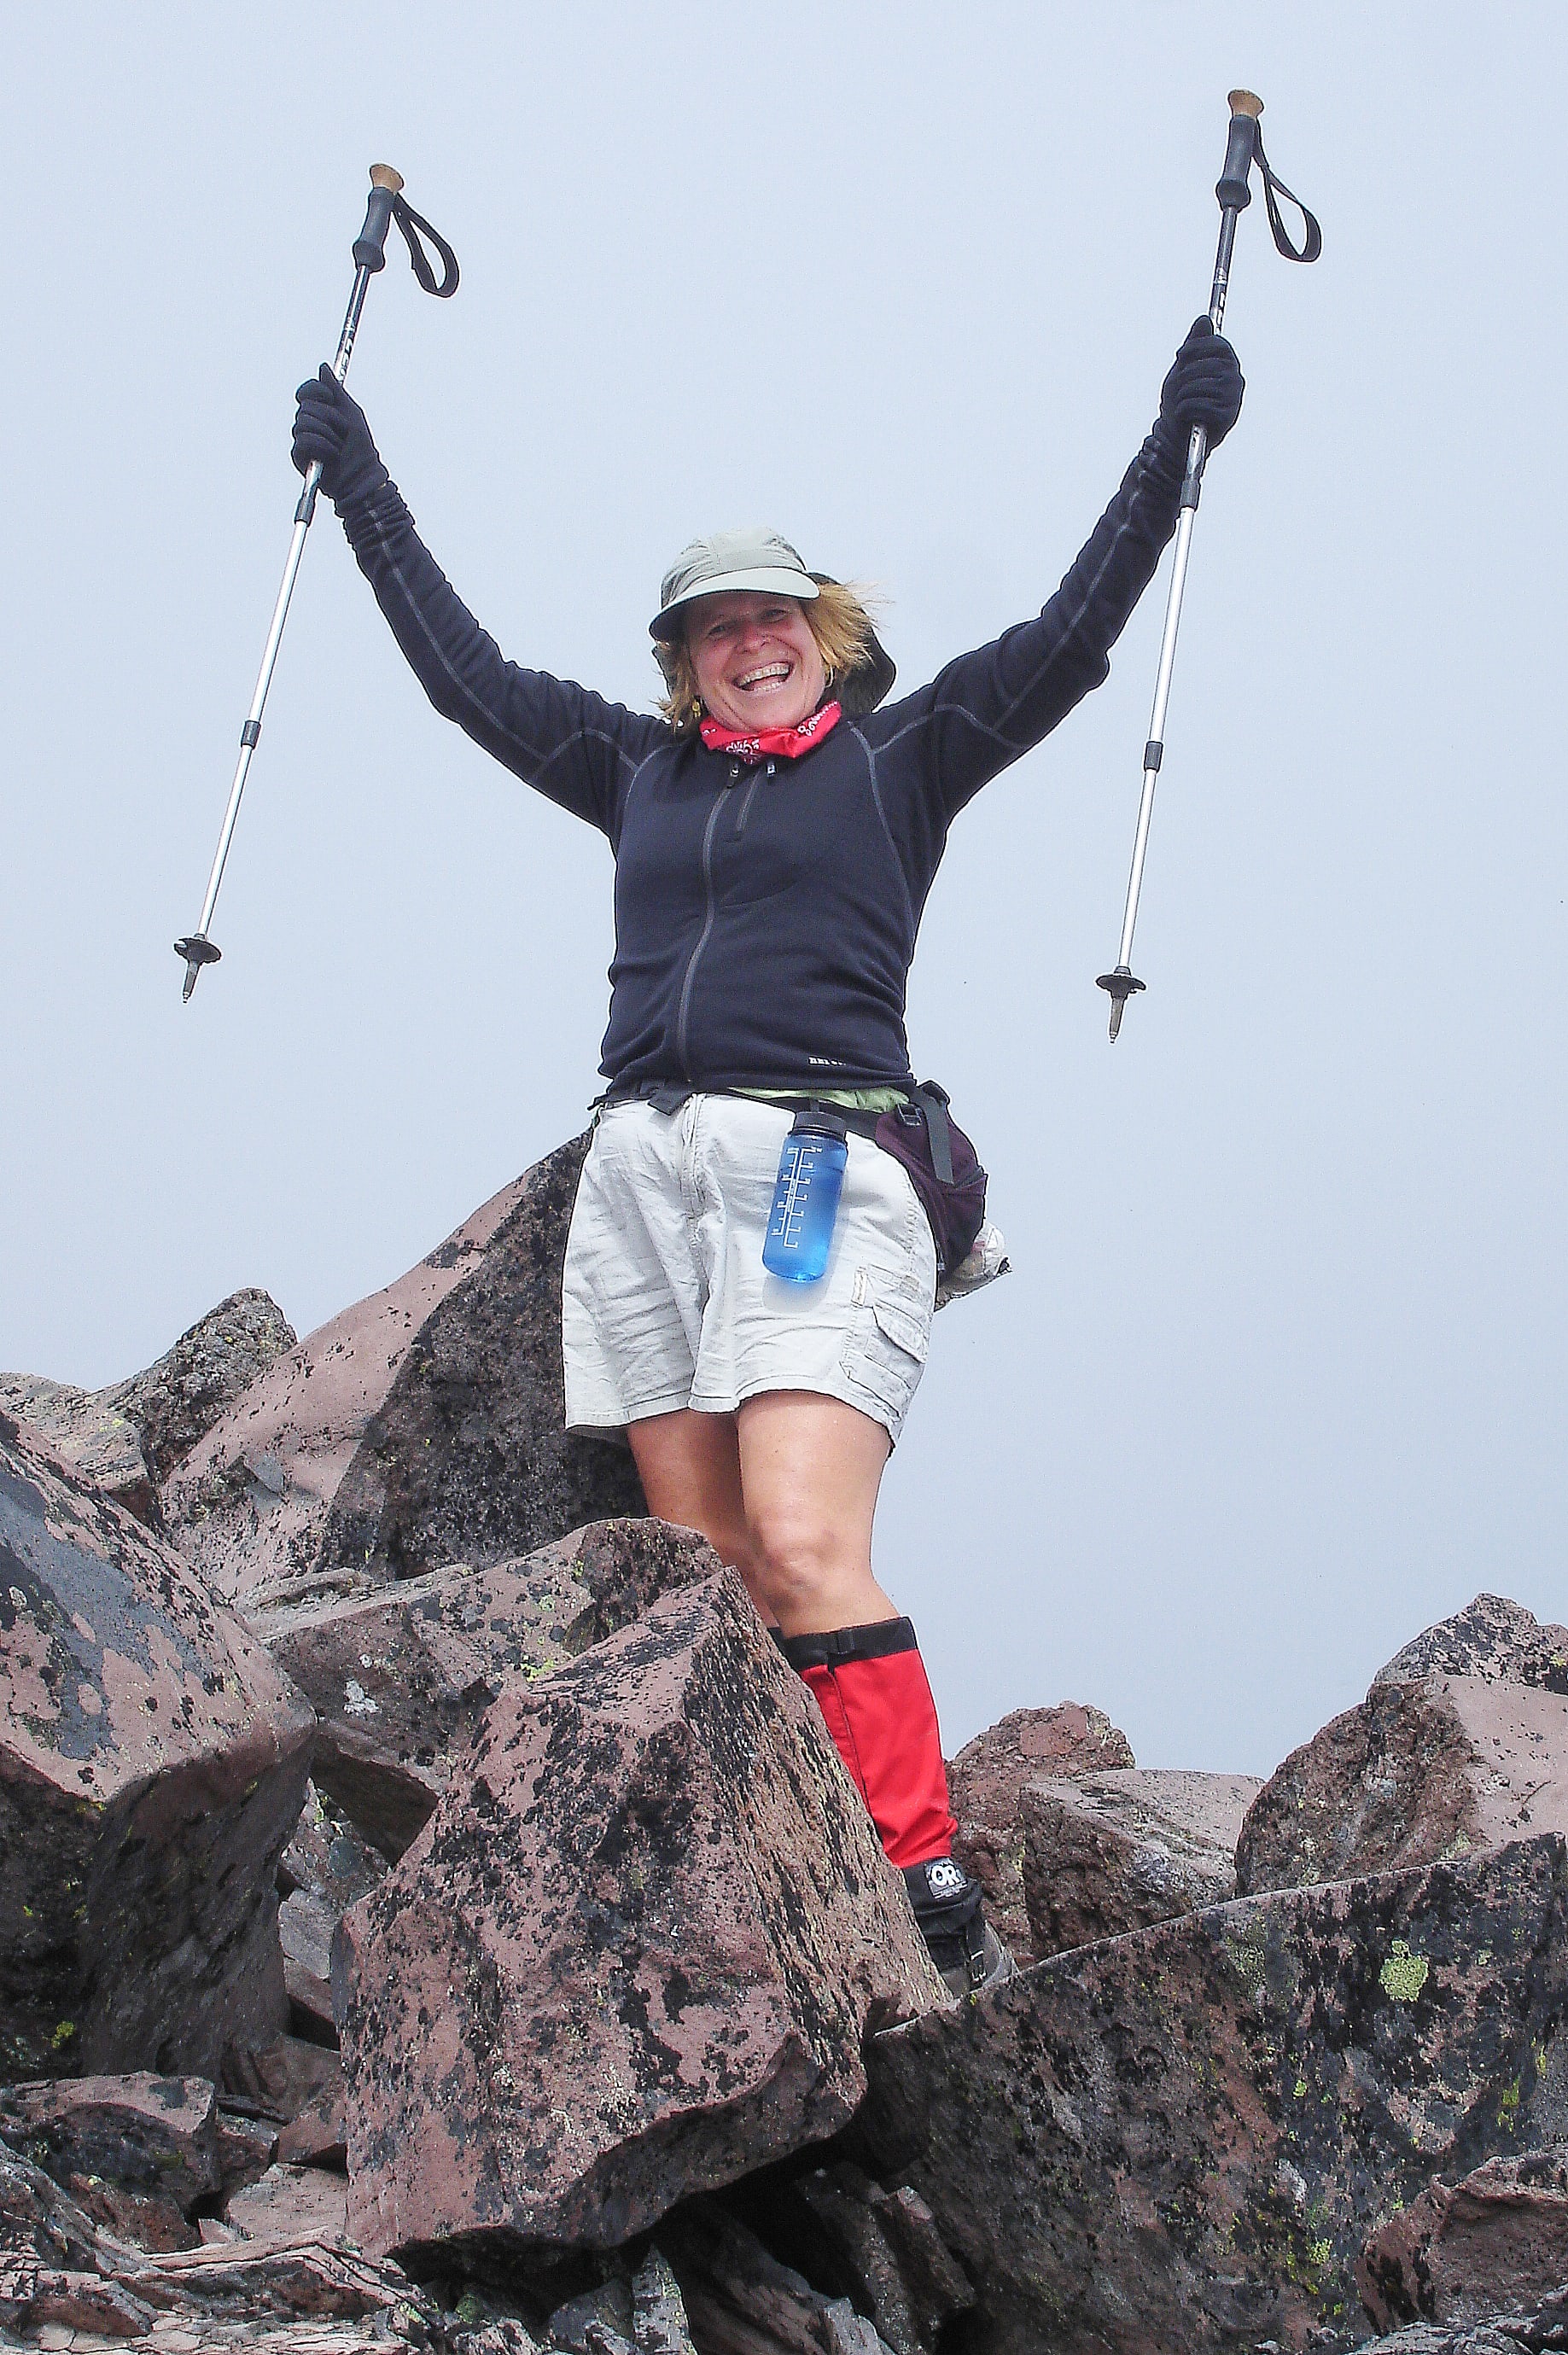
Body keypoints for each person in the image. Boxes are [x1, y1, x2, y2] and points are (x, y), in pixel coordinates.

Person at [291, 316, 1243, 1997]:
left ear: (824, 630)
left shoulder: (905, 755)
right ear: (683, 661)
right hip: (639, 1186)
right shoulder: (629, 769)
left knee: (804, 1544)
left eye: (772, 617)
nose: (746, 644)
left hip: (821, 1165)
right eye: (713, 627)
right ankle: (788, 1878)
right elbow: (459, 672)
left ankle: (919, 1868)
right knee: (712, 1573)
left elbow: (1077, 635)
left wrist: (1174, 446)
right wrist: (354, 472)